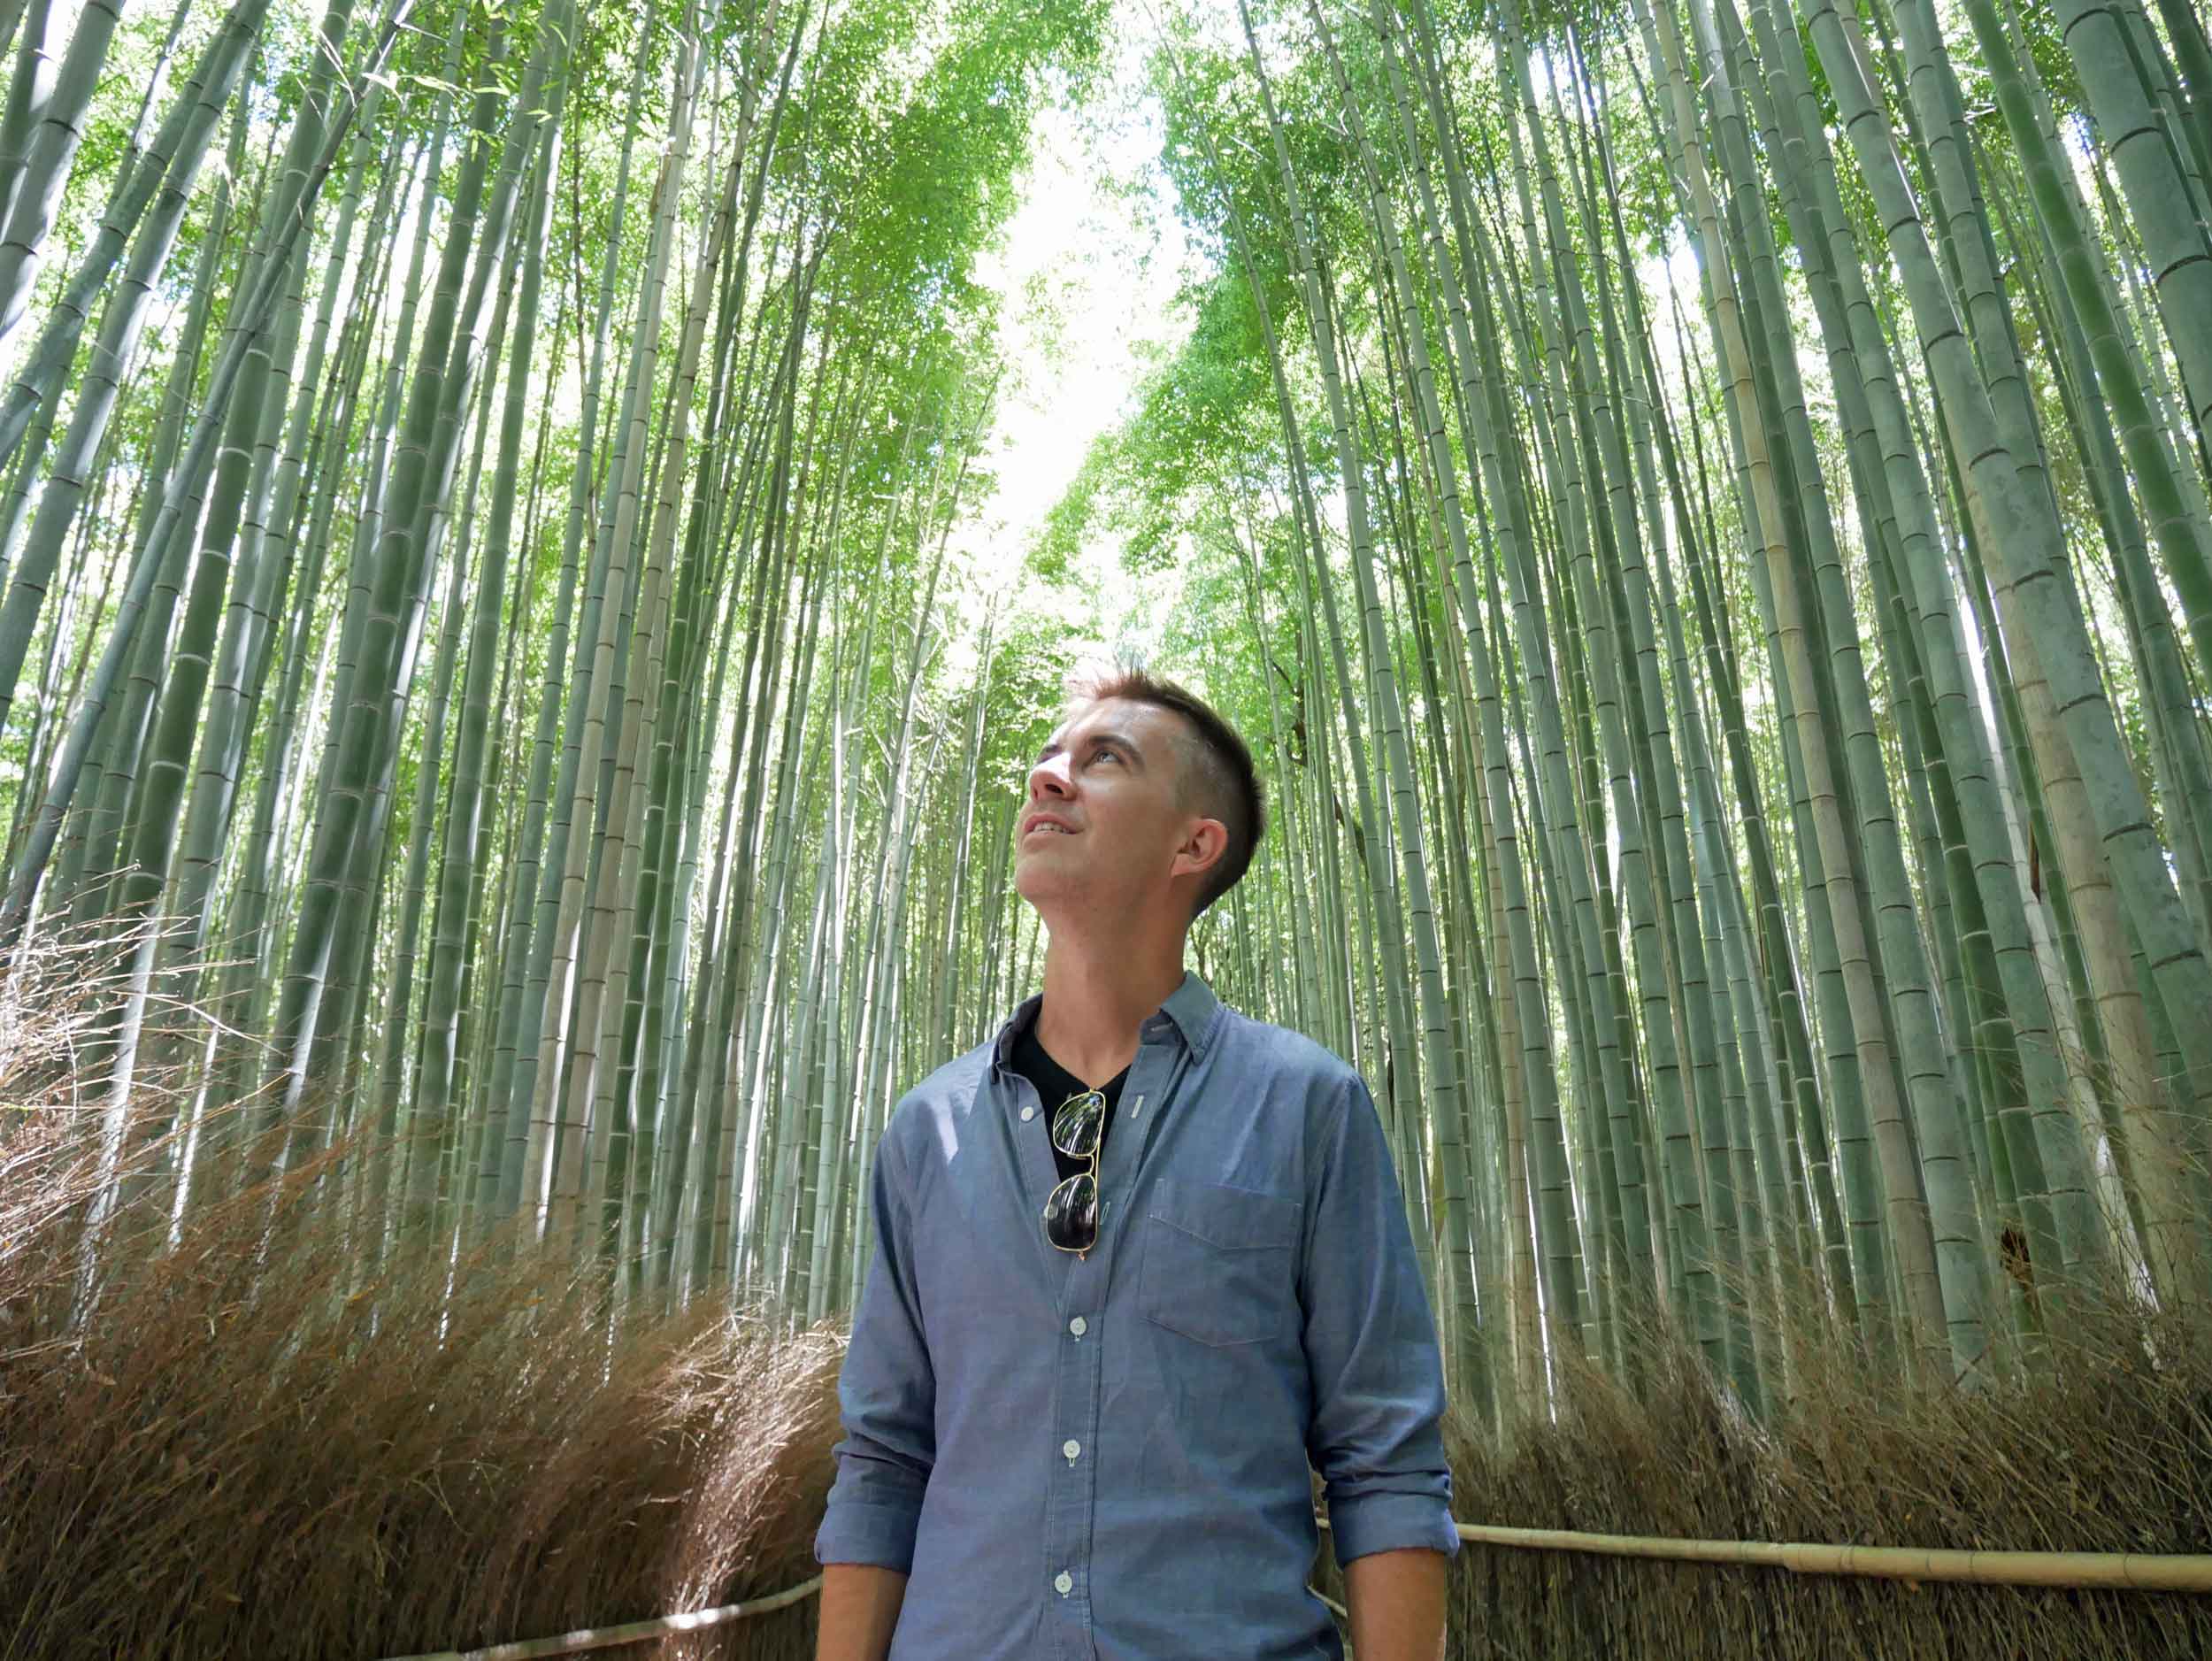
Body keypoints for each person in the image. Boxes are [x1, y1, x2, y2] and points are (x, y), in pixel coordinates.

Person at [813, 665, 1456, 1661]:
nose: (1047, 776)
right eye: (1049, 756)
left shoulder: (1305, 1107)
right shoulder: (926, 1130)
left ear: (1193, 844)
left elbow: (1385, 1464)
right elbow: (884, 1462)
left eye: (1102, 759)